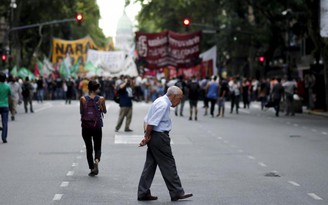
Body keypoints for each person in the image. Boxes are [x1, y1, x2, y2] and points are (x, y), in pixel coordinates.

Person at [138, 86, 193, 202]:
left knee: (150, 165)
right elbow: (151, 123)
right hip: (159, 137)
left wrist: (147, 136)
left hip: (155, 136)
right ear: (173, 96)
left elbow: (147, 120)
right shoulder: (163, 105)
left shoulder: (159, 101)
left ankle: (143, 192)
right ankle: (177, 192)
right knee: (168, 164)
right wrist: (147, 136)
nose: (180, 101)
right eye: (180, 98)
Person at [80, 80, 107, 176]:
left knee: (89, 148)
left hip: (86, 126)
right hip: (97, 125)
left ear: (88, 88)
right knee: (97, 146)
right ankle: (96, 160)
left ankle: (92, 168)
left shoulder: (83, 99)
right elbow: (104, 111)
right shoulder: (101, 99)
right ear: (97, 89)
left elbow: (81, 112)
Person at [0, 72, 11, 143]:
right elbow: (9, 97)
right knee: (5, 122)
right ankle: (4, 137)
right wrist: (9, 105)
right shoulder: (7, 87)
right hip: (5, 106)